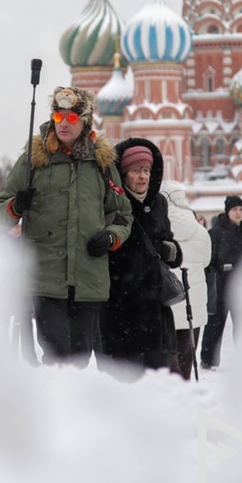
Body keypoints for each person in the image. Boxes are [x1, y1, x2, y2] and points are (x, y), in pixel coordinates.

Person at [0, 86, 132, 367]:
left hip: (88, 279)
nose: (64, 124)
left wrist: (110, 237)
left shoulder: (101, 163)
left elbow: (122, 214)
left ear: (85, 121)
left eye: (71, 118)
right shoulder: (34, 160)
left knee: (79, 360)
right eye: (58, 117)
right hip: (45, 280)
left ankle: (73, 409)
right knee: (57, 357)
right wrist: (16, 206)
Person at [100, 138, 182, 376]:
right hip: (121, 306)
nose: (142, 176)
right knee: (127, 381)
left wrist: (172, 250)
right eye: (135, 171)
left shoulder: (158, 203)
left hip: (155, 310)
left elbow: (168, 240)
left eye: (146, 170)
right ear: (123, 174)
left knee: (158, 380)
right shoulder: (112, 203)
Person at [160, 181, 211, 380]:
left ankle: (171, 392)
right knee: (186, 355)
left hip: (168, 300)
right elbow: (206, 262)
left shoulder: (159, 230)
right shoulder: (201, 232)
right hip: (193, 302)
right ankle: (185, 387)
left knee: (167, 357)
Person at [200, 195, 242, 371]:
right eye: (234, 209)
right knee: (214, 325)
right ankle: (207, 360)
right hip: (220, 285)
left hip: (241, 286)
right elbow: (209, 260)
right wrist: (218, 274)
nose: (238, 213)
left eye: (241, 209)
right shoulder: (215, 232)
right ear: (227, 211)